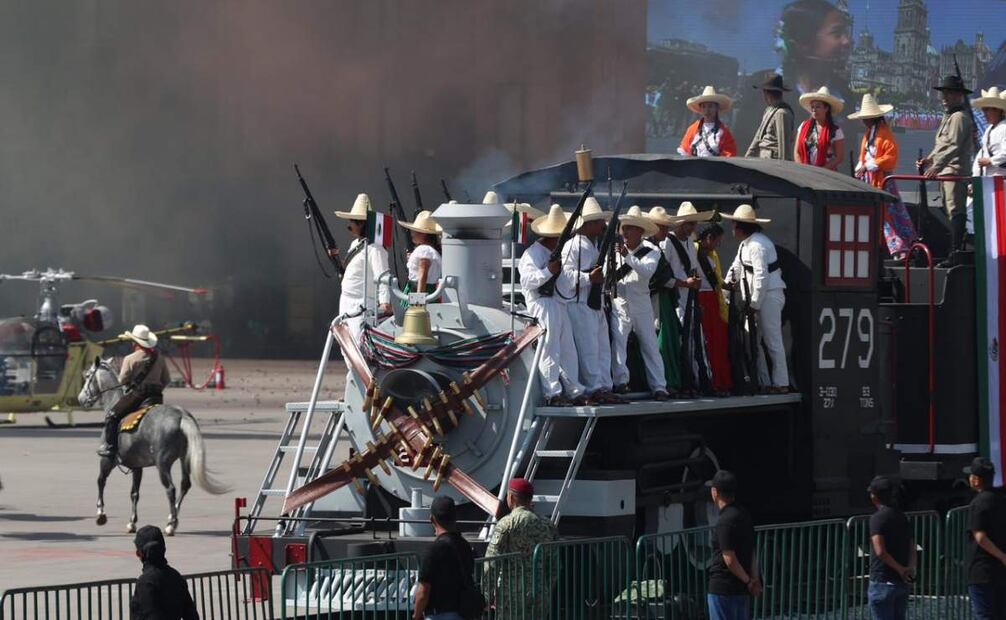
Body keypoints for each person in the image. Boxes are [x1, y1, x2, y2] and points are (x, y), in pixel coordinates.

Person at [520, 205, 587, 407]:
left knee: (567, 349)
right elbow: (528, 282)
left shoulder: (557, 253)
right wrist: (548, 271)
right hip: (542, 304)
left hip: (558, 303)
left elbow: (565, 282)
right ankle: (552, 393)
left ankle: (574, 390)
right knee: (549, 349)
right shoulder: (532, 254)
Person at [722, 205, 789, 393]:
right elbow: (736, 268)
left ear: (741, 227)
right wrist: (725, 291)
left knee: (772, 339)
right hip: (758, 298)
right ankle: (763, 380)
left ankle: (781, 383)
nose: (732, 228)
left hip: (769, 296)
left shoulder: (757, 245)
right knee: (752, 340)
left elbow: (761, 276)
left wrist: (754, 304)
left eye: (734, 225)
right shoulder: (746, 244)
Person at [562, 197, 621, 404]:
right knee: (589, 349)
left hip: (595, 303)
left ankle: (604, 386)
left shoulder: (592, 245)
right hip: (580, 303)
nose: (602, 226)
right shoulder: (573, 245)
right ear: (590, 223)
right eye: (599, 222)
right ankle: (594, 389)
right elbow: (566, 276)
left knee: (602, 347)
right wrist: (588, 277)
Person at [609, 206, 670, 400]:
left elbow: (647, 272)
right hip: (620, 301)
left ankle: (659, 386)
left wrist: (627, 256)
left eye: (630, 228)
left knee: (650, 346)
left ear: (640, 231)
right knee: (618, 343)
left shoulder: (652, 251)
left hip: (641, 302)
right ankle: (621, 382)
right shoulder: (614, 250)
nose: (625, 232)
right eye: (624, 228)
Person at [848, 93, 916, 259]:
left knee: (889, 215)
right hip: (870, 179)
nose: (864, 120)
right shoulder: (869, 133)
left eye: (866, 117)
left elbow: (891, 156)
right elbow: (863, 155)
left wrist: (870, 165)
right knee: (877, 215)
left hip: (883, 180)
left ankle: (900, 249)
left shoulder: (885, 133)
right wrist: (861, 166)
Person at [916, 75, 975, 257]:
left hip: (954, 171)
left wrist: (937, 166)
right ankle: (953, 251)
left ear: (958, 95)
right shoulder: (950, 116)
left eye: (949, 93)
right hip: (946, 172)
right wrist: (930, 160)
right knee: (950, 211)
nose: (944, 97)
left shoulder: (959, 117)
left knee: (955, 211)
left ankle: (956, 252)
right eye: (944, 93)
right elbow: (942, 145)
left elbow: (954, 145)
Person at [484, 478, 557, 620]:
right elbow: (554, 565)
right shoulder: (548, 525)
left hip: (510, 598)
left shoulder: (506, 524)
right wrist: (545, 589)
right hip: (540, 594)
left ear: (511, 497)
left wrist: (486, 595)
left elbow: (491, 563)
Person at [97, 325, 171, 458]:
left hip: (138, 396)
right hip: (156, 397)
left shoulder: (130, 359)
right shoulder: (159, 358)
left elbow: (122, 381)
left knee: (112, 416)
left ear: (135, 343)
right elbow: (166, 380)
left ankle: (110, 448)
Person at [664, 203, 714, 395]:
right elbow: (663, 276)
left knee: (697, 342)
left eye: (694, 224)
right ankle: (683, 381)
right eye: (689, 224)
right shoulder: (668, 242)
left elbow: (693, 269)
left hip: (690, 299)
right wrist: (684, 283)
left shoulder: (690, 243)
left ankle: (699, 380)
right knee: (681, 342)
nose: (693, 228)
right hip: (676, 299)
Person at [333, 193, 392, 341]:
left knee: (359, 344)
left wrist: (385, 302)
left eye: (352, 221)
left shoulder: (376, 248)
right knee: (347, 346)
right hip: (346, 301)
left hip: (363, 304)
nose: (349, 225)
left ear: (361, 223)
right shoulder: (356, 244)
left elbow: (383, 277)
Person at [706, 470, 760, 620]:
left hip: (722, 589)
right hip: (741, 591)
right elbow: (751, 552)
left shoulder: (724, 521)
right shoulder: (744, 515)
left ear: (715, 492)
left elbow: (729, 558)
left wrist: (748, 581)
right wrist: (754, 578)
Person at [414, 496, 477, 620]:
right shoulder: (465, 546)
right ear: (455, 518)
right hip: (462, 613)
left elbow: (423, 591)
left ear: (432, 519)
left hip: (437, 614)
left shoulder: (432, 550)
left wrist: (416, 615)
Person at [776, 0, 852, 101]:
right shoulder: (769, 94)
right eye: (837, 33)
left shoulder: (847, 98)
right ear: (804, 42)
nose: (847, 41)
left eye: (846, 33)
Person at [866, 476, 915, 620]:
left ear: (874, 496)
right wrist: (908, 569)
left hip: (882, 579)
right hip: (901, 582)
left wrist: (900, 569)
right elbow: (911, 545)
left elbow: (880, 551)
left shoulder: (877, 518)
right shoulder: (901, 516)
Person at [646, 206, 684, 394]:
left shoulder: (655, 247)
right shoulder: (650, 248)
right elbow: (660, 279)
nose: (666, 232)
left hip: (660, 299)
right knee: (660, 342)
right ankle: (665, 381)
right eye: (662, 228)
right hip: (655, 300)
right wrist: (685, 283)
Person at [963, 457, 1006, 620]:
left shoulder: (979, 503)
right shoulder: (1001, 499)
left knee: (985, 615)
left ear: (975, 480)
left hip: (982, 569)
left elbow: (980, 536)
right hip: (1001, 572)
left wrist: (1002, 556)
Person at [129, 525, 199, 620]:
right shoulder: (176, 577)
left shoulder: (145, 583)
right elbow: (191, 615)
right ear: (163, 549)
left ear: (139, 553)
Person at [696, 223, 732, 393]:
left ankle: (721, 380)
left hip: (713, 299)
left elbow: (717, 279)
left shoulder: (711, 255)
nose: (718, 245)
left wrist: (728, 286)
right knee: (708, 341)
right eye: (717, 241)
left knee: (718, 341)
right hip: (702, 299)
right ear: (709, 238)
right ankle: (712, 380)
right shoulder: (694, 252)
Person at [678, 86, 737, 158]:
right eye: (704, 107)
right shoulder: (693, 129)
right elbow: (685, 151)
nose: (707, 110)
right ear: (700, 109)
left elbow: (729, 155)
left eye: (710, 106)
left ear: (716, 108)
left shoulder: (724, 132)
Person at [745, 75, 795, 161]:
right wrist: (747, 157)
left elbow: (784, 146)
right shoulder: (769, 110)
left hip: (773, 160)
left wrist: (783, 170)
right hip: (764, 157)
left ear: (767, 93)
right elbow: (758, 137)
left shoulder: (781, 113)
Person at [795, 87, 845, 171]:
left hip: (826, 175)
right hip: (804, 173)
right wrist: (802, 170)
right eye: (812, 107)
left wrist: (821, 171)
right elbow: (797, 152)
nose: (814, 110)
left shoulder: (836, 131)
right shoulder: (803, 126)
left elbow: (839, 157)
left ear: (826, 108)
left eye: (818, 107)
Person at [399, 210, 443, 299]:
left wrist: (418, 301)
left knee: (411, 313)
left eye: (415, 231)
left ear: (423, 234)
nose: (412, 233)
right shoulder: (432, 251)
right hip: (430, 292)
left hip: (417, 292)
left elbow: (423, 275)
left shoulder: (423, 250)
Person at [972, 87, 1006, 177]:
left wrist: (990, 161)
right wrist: (975, 178)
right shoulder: (989, 129)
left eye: (987, 110)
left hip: (1002, 179)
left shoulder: (1004, 128)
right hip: (989, 179)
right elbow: (982, 154)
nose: (984, 113)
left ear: (997, 110)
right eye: (984, 110)